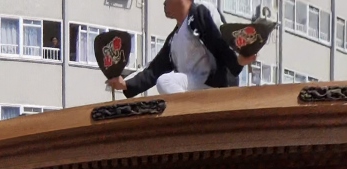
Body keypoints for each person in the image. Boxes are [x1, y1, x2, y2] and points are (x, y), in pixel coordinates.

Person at [109, 0, 255, 97]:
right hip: (194, 87)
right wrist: (126, 84)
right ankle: (191, 113)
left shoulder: (201, 11)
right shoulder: (174, 38)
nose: (164, 3)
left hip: (216, 86)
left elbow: (221, 40)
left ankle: (192, 112)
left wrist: (238, 61)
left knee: (165, 82)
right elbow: (155, 69)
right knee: (165, 81)